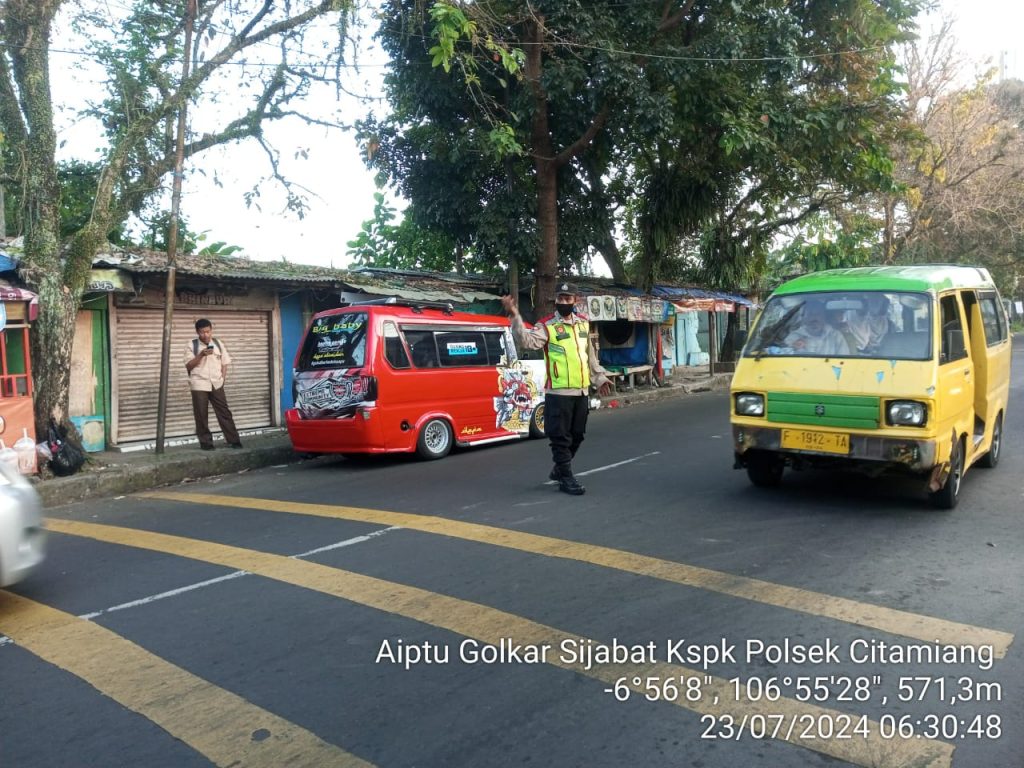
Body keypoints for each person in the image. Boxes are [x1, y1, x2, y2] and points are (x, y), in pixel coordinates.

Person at [501, 282, 612, 495]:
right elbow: (527, 341)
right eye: (560, 299)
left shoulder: (583, 325)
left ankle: (560, 468)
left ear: (574, 301)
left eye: (567, 299)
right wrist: (515, 315)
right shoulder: (547, 326)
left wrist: (600, 378)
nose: (563, 302)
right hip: (558, 393)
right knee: (560, 438)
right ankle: (566, 478)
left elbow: (589, 357)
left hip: (581, 391)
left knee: (577, 435)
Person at [183, 318, 242, 450]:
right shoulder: (192, 345)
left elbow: (224, 362)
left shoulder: (218, 343)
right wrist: (201, 355)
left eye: (208, 331)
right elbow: (189, 365)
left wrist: (222, 379)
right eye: (202, 332)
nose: (206, 335)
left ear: (211, 330)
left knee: (224, 413)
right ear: (197, 332)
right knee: (201, 415)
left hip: (217, 383)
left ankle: (234, 440)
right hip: (199, 384)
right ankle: (206, 444)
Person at [784, 300, 850, 356]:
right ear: (803, 318)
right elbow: (782, 358)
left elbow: (845, 361)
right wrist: (793, 348)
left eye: (818, 314)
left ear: (824, 317)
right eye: (810, 314)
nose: (814, 318)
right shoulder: (793, 337)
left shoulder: (835, 336)